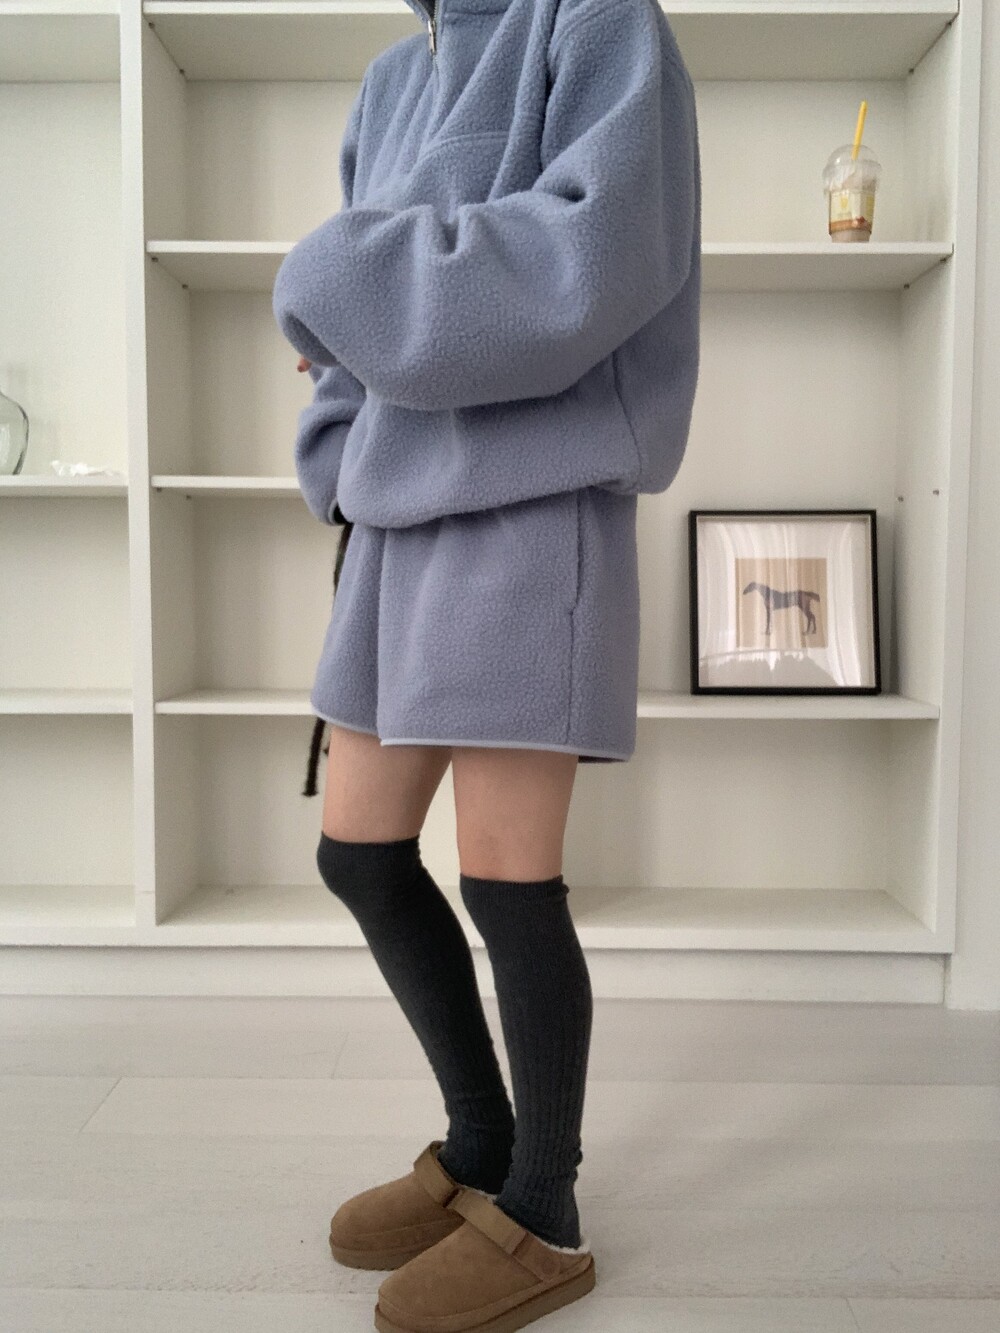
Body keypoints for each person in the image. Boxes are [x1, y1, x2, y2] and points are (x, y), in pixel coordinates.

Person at [272, 0, 701, 1327]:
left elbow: (587, 261)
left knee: (509, 881)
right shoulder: (392, 77)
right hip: (391, 523)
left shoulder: (600, 21)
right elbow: (346, 346)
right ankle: (480, 1143)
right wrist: (338, 453)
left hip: (528, 502)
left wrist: (342, 267)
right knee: (358, 851)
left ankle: (546, 1210)